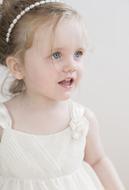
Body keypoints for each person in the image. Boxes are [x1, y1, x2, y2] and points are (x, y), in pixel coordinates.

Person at [0, 0, 125, 189]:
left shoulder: (82, 120)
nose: (71, 66)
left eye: (78, 53)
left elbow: (98, 160)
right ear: (18, 67)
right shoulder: (4, 123)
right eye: (56, 55)